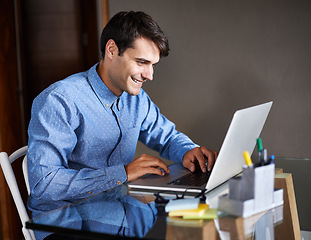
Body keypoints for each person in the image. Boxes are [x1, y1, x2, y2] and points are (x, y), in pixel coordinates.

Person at [27, 11, 217, 224]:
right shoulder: (60, 100)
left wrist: (188, 151)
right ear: (111, 50)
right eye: (141, 62)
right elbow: (44, 184)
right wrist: (122, 173)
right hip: (68, 224)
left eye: (152, 65)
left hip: (119, 213)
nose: (149, 75)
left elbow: (167, 136)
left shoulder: (136, 99)